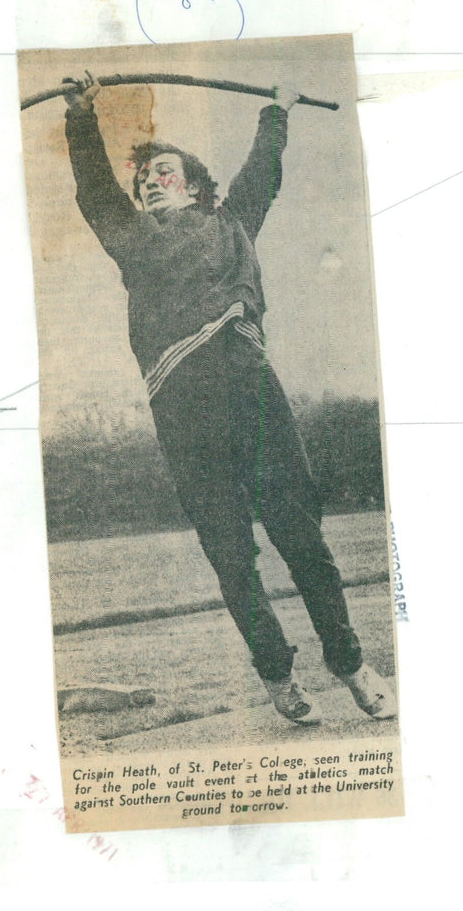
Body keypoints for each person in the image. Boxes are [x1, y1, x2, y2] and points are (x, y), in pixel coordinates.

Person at [62, 71, 397, 724]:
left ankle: (350, 662)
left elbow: (263, 167)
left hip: (252, 392)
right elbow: (95, 188)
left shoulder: (233, 221)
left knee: (301, 536)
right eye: (144, 179)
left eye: (163, 172)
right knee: (230, 558)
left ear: (192, 184)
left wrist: (280, 107)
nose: (151, 181)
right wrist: (80, 113)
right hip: (184, 413)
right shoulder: (131, 238)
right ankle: (277, 675)